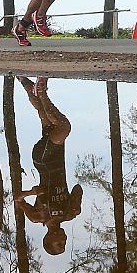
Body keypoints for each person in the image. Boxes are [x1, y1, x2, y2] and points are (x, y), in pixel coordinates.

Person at [14, 76, 83, 255]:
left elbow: (18, 199)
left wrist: (33, 193)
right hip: (58, 160)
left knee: (63, 127)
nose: (64, 241)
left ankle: (41, 90)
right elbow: (77, 188)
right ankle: (23, 80)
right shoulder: (68, 214)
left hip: (43, 160)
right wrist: (76, 203)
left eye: (59, 244)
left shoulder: (37, 217)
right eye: (64, 244)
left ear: (48, 240)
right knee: (46, 117)